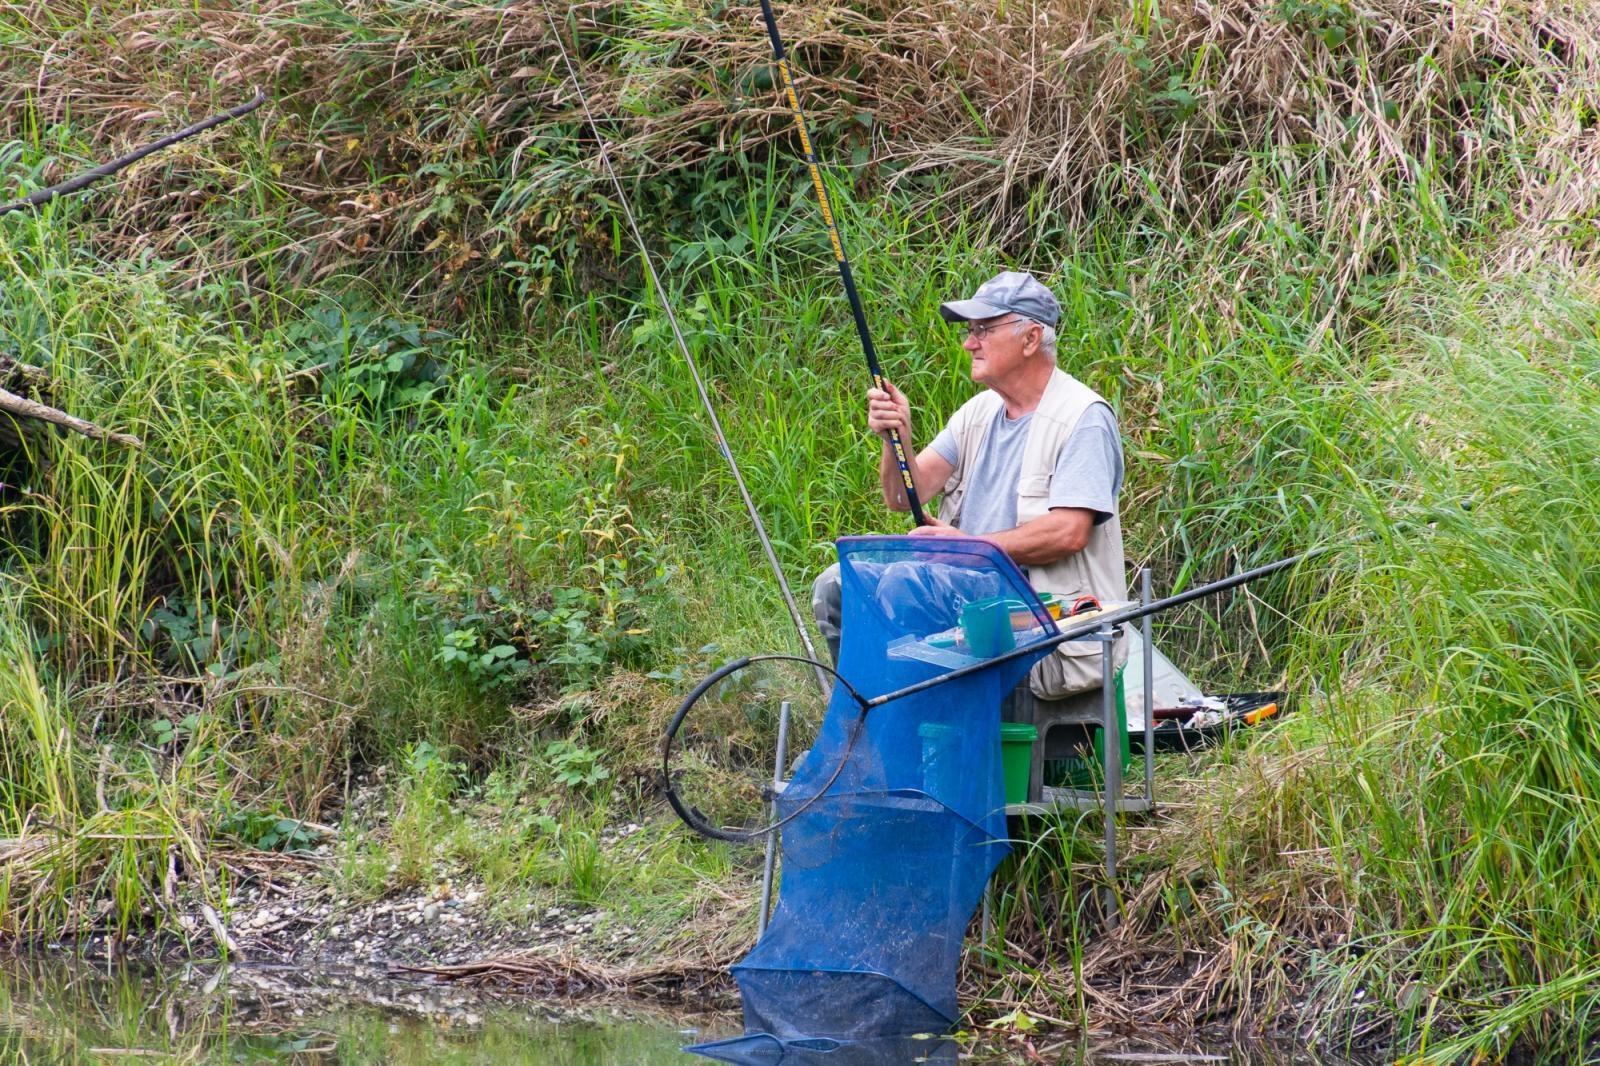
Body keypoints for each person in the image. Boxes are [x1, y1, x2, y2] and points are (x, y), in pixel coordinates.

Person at [811, 270, 1128, 700]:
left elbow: (1069, 531)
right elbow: (904, 495)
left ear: (1030, 339)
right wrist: (896, 436)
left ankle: (894, 728)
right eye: (970, 330)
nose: (968, 342)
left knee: (901, 586)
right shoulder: (978, 412)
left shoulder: (1083, 417)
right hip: (966, 592)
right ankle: (869, 722)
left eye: (983, 330)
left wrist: (969, 545)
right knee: (838, 585)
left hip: (1036, 616)